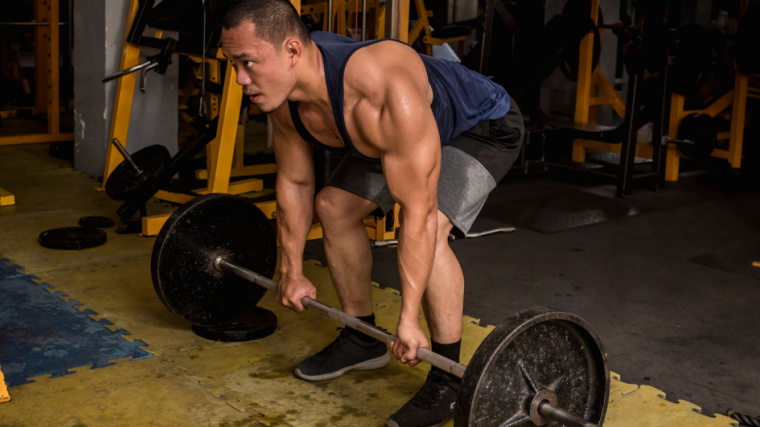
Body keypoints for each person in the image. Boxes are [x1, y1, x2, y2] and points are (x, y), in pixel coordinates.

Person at [221, 1, 524, 426]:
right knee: (333, 206)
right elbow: (295, 184)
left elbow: (417, 211)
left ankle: (448, 379)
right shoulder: (286, 97)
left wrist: (408, 319)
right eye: (233, 63)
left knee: (430, 229)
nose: (240, 79)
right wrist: (290, 269)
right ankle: (363, 339)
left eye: (248, 63)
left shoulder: (382, 91)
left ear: (292, 51)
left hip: (479, 127)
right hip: (392, 134)